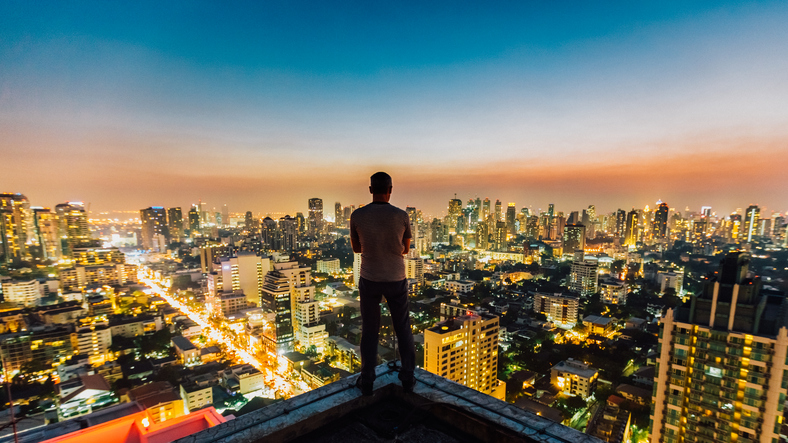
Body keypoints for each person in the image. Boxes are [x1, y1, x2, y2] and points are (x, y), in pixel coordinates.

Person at [349, 171, 416, 395]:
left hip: (370, 278)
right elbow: (406, 249)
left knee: (369, 330)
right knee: (403, 328)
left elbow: (357, 249)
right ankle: (408, 377)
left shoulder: (357, 216)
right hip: (396, 279)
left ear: (370, 190)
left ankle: (367, 380)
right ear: (390, 190)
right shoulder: (402, 216)